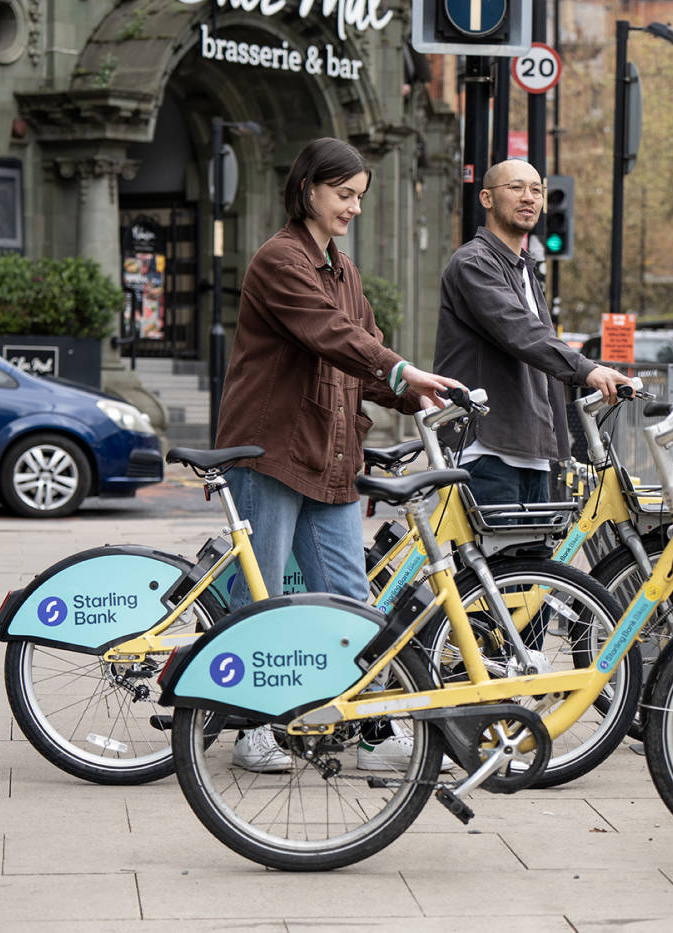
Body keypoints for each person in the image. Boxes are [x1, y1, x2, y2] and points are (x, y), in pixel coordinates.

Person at [214, 137, 458, 773]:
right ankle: (251, 729)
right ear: (308, 191)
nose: (353, 207)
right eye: (344, 194)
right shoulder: (280, 260)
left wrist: (415, 393)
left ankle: (369, 727)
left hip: (331, 456)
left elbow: (363, 359)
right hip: (270, 451)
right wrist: (400, 367)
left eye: (359, 197)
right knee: (258, 599)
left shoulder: (344, 271)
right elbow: (331, 334)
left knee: (351, 601)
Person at [434, 158, 632, 506]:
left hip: (530, 449)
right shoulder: (474, 262)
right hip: (487, 448)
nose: (529, 197)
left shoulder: (524, 268)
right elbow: (521, 333)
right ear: (486, 198)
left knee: (534, 561)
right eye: (515, 188)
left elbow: (541, 359)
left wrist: (560, 444)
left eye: (537, 190)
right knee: (495, 562)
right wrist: (587, 370)